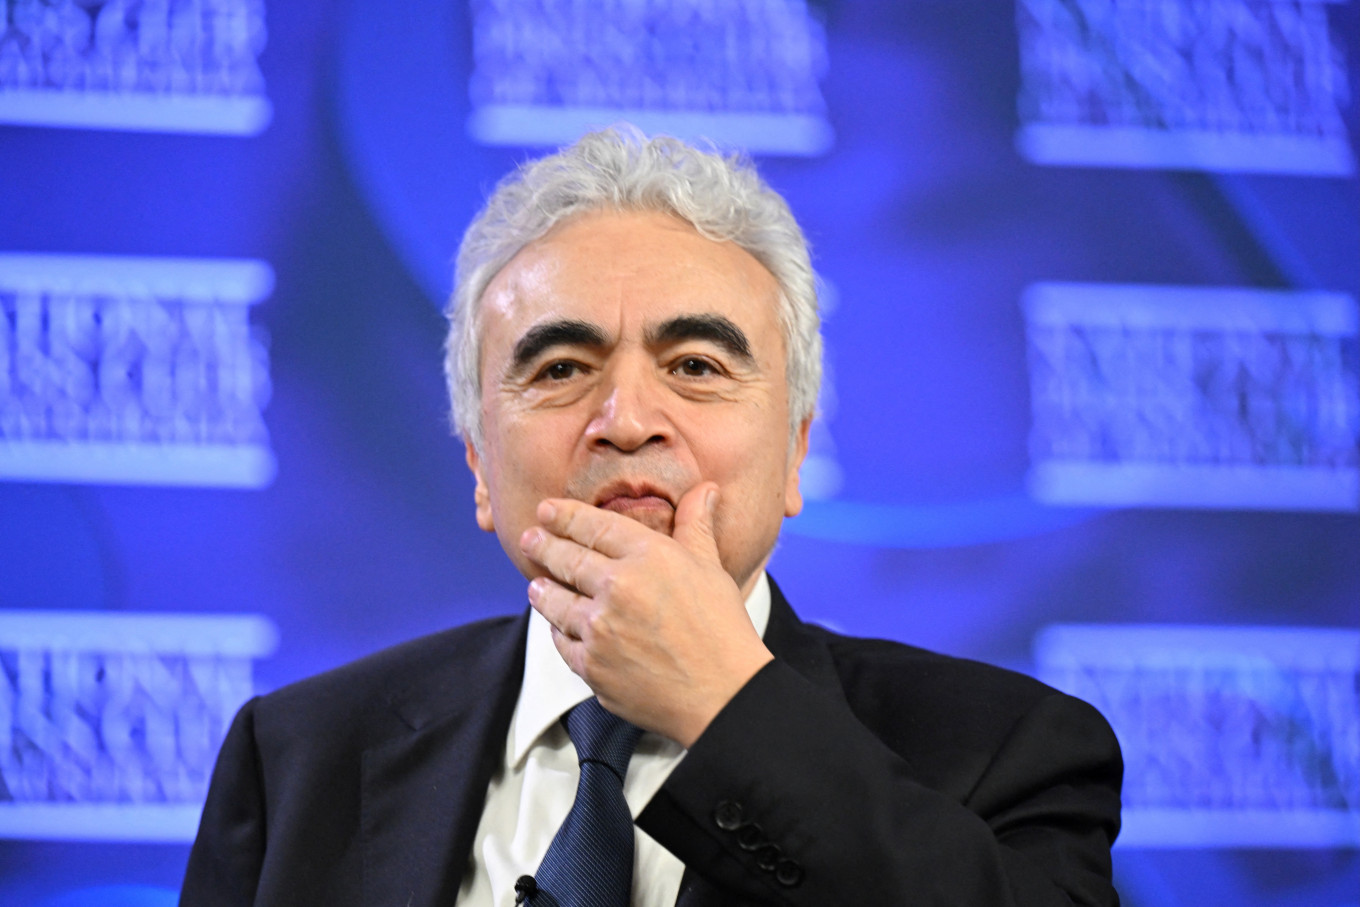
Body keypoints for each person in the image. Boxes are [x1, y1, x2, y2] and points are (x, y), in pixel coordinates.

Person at [180, 126, 1122, 906]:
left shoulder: (1011, 752)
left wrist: (726, 705)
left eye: (697, 366)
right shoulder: (297, 761)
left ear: (795, 453)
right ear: (476, 463)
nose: (626, 419)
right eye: (559, 369)